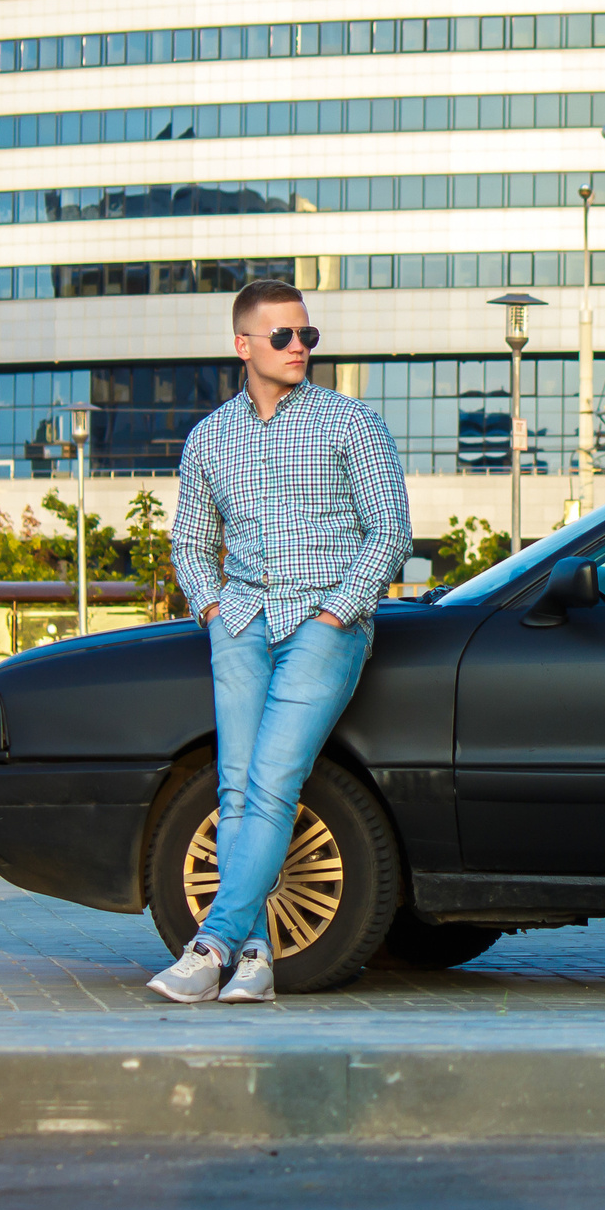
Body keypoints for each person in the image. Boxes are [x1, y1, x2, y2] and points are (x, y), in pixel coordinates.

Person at [148, 279, 412, 1003]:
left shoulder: (350, 424)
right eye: (284, 336)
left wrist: (339, 613)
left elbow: (389, 532)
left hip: (323, 625)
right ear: (244, 345)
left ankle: (210, 945)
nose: (301, 347)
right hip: (239, 623)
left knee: (269, 783)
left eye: (307, 335)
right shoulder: (210, 437)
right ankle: (257, 959)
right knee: (234, 790)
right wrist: (209, 607)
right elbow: (190, 541)